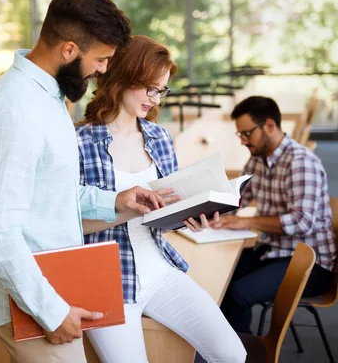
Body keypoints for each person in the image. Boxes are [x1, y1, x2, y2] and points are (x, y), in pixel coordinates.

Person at [0, 0, 166, 363]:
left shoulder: (47, 98)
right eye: (100, 60)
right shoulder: (19, 112)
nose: (103, 70)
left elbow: (51, 192)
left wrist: (116, 200)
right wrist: (52, 312)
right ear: (69, 49)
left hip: (51, 284)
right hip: (32, 304)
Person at [76, 35, 246, 363]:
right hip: (105, 281)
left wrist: (192, 217)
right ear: (124, 77)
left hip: (159, 269)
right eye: (150, 88)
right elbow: (68, 226)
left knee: (231, 353)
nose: (154, 100)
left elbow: (166, 211)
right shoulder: (79, 143)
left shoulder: (160, 137)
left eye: (161, 90)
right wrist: (127, 208)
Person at [216, 96, 336, 333]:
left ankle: (238, 355)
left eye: (246, 134)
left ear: (269, 126)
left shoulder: (300, 162)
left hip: (310, 263)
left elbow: (302, 222)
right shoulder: (258, 159)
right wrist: (202, 209)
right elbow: (238, 197)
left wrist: (247, 222)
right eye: (239, 135)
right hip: (274, 250)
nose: (243, 142)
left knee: (237, 294)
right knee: (220, 274)